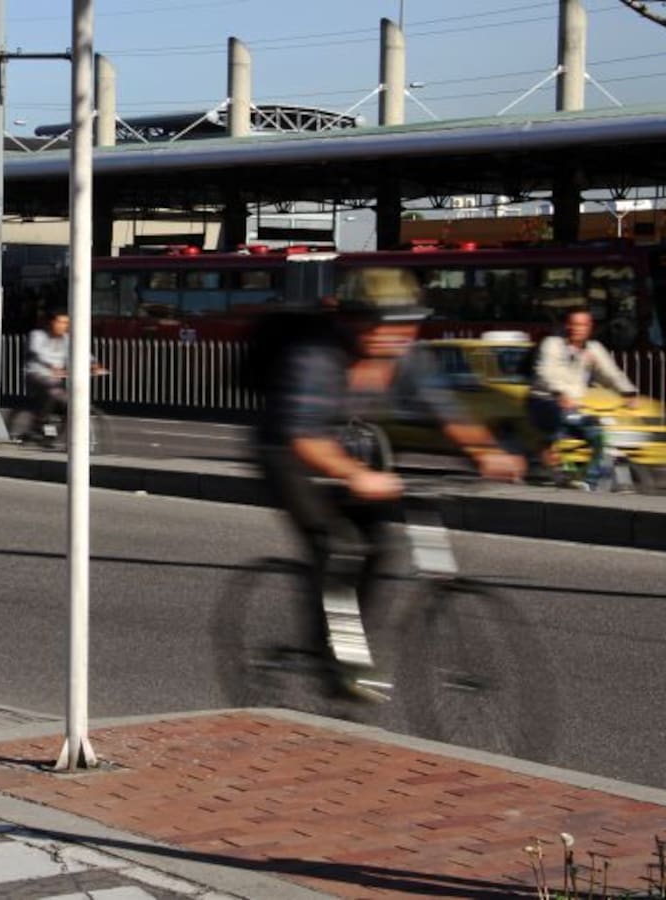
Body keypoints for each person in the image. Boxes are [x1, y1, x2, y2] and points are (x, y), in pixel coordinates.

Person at [247, 267, 525, 700]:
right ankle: (329, 656)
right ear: (353, 320)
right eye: (382, 322)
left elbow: (445, 410)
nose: (395, 334)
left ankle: (348, 642)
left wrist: (486, 451)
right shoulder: (317, 356)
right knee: (336, 543)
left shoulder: (406, 355)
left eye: (406, 323)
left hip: (346, 446)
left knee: (380, 543)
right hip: (285, 451)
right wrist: (358, 475)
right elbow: (302, 437)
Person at [528, 307, 637, 490]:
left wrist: (627, 392)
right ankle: (555, 466)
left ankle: (588, 481)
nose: (579, 328)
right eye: (575, 324)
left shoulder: (593, 349)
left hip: (572, 407)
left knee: (599, 436)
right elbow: (545, 372)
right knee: (560, 427)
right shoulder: (553, 344)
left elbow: (609, 373)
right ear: (567, 325)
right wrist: (559, 392)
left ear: (590, 327)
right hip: (544, 401)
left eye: (584, 324)